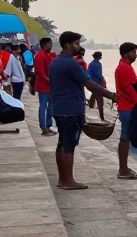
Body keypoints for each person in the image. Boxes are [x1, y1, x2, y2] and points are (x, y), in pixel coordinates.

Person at [48, 32, 116, 190]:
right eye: (77, 43)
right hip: (70, 109)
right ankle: (68, 180)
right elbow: (89, 84)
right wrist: (111, 95)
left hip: (59, 107)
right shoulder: (71, 63)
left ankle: (62, 179)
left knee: (62, 143)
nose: (79, 46)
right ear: (67, 45)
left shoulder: (55, 62)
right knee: (69, 145)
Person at [114, 42, 137, 179]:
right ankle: (123, 169)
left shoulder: (126, 67)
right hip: (128, 107)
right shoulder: (124, 68)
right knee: (125, 137)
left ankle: (124, 167)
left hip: (128, 106)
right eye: (133, 52)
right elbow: (129, 89)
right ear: (126, 54)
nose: (136, 55)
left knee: (126, 137)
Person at [34, 37, 56, 135]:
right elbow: (39, 72)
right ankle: (43, 127)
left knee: (51, 106)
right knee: (43, 106)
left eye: (51, 44)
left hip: (50, 85)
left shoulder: (47, 55)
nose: (50, 45)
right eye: (48, 44)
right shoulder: (39, 56)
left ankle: (48, 125)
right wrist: (49, 80)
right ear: (43, 45)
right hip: (43, 85)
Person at [86, 51, 106, 119]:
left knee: (94, 95)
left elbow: (87, 73)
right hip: (97, 83)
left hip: (91, 83)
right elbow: (99, 75)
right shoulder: (98, 64)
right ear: (100, 57)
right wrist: (103, 82)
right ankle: (102, 116)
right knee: (100, 99)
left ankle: (90, 107)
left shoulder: (90, 64)